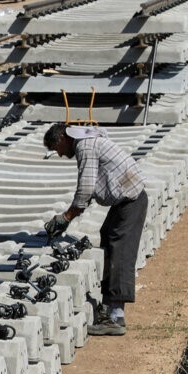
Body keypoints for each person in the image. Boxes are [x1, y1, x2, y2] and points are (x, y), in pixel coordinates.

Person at [42, 123, 148, 336]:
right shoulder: (86, 140)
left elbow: (86, 187)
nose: (61, 155)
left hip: (131, 200)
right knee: (108, 235)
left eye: (57, 149)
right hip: (126, 198)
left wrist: (66, 218)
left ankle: (116, 318)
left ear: (62, 138)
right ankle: (109, 306)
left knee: (120, 249)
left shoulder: (84, 146)